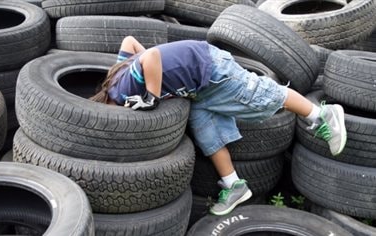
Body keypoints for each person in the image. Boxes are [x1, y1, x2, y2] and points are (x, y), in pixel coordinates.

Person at [90, 36, 347, 216]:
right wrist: (166, 77)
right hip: (197, 88)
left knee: (260, 96)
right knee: (207, 133)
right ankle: (234, 185)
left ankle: (320, 115)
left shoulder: (124, 90)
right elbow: (129, 41)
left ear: (107, 104)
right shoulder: (116, 75)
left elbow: (152, 56)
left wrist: (152, 95)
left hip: (211, 68)